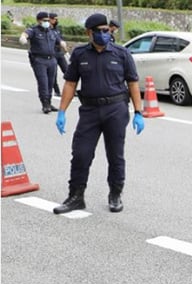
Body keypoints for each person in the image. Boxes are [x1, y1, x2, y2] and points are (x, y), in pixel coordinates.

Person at [53, 13, 144, 215]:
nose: (105, 34)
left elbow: (132, 82)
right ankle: (76, 196)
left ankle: (115, 194)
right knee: (80, 154)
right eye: (100, 31)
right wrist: (62, 111)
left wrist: (138, 111)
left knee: (115, 155)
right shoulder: (80, 54)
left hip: (116, 110)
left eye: (106, 30)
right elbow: (70, 83)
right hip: (90, 111)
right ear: (89, 33)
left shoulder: (121, 53)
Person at [19, 12, 65, 114]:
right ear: (38, 20)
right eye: (45, 21)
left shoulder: (51, 31)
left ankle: (49, 102)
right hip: (39, 60)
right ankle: (45, 104)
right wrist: (23, 38)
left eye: (48, 20)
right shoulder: (34, 30)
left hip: (52, 60)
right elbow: (25, 34)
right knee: (43, 82)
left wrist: (62, 44)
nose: (47, 22)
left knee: (50, 82)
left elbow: (59, 40)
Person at [49, 13, 68, 97]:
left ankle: (71, 90)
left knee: (67, 71)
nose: (56, 21)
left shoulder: (57, 29)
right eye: (54, 19)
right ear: (50, 19)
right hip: (52, 54)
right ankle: (57, 91)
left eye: (57, 19)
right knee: (53, 74)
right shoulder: (47, 29)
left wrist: (64, 46)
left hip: (59, 53)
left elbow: (61, 39)